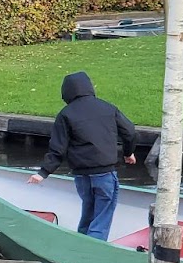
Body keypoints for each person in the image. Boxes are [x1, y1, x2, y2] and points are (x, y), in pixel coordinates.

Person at [27, 72, 137, 240]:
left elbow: (58, 148)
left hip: (82, 176)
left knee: (88, 213)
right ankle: (93, 255)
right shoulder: (108, 108)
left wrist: (43, 173)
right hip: (105, 173)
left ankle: (80, 244)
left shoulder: (65, 114)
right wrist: (128, 153)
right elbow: (129, 131)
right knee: (101, 219)